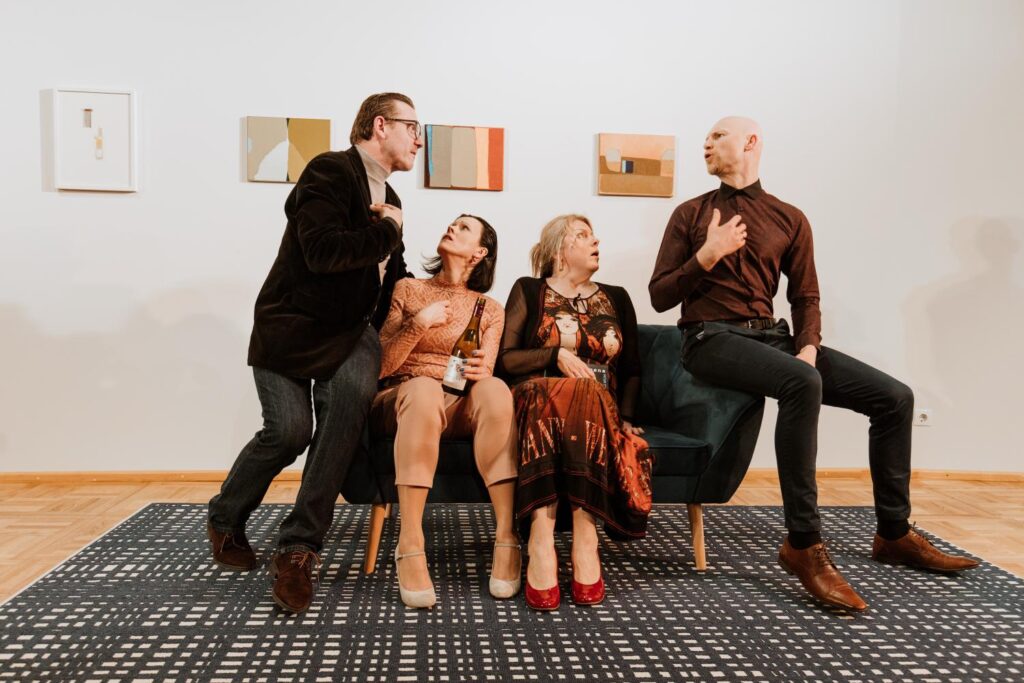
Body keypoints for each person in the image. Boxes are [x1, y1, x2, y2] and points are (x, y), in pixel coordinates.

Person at [648, 116, 979, 612]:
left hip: (774, 337)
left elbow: (805, 296)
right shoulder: (691, 214)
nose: (706, 143)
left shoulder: (789, 217)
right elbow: (659, 295)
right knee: (802, 382)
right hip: (708, 338)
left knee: (895, 398)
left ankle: (893, 533)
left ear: (751, 142)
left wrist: (807, 345)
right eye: (706, 138)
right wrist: (707, 256)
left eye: (717, 135)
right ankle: (803, 543)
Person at [207, 92, 423, 614]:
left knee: (339, 427)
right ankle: (225, 515)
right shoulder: (330, 171)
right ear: (380, 125)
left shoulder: (391, 196)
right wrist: (387, 229)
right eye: (413, 126)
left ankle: (298, 549)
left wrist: (442, 294)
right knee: (289, 432)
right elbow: (323, 252)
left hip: (351, 335)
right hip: (292, 326)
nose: (419, 139)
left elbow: (388, 275)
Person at [497, 214, 652, 611]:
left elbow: (632, 369)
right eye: (582, 235)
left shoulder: (617, 297)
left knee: (587, 391)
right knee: (556, 390)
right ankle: (541, 533)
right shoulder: (529, 289)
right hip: (537, 401)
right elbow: (507, 359)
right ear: (559, 251)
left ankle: (586, 534)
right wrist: (555, 355)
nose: (595, 240)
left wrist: (627, 418)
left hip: (597, 409)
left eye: (594, 234)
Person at [370, 214, 519, 609]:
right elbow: (381, 365)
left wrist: (481, 370)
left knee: (495, 389)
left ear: (480, 252)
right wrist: (419, 323)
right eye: (452, 224)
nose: (452, 228)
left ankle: (507, 535)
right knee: (423, 390)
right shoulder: (408, 289)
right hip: (405, 395)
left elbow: (485, 370)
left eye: (464, 228)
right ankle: (410, 540)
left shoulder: (488, 309)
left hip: (458, 399)